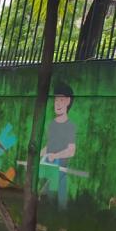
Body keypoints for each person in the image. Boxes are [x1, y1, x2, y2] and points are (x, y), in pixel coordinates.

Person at [40, 81, 77, 210]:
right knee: (46, 198)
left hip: (60, 169)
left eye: (61, 100)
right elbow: (50, 145)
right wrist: (41, 153)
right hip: (49, 168)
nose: (57, 104)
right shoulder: (52, 124)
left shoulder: (69, 126)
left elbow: (71, 151)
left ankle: (58, 222)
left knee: (58, 202)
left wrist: (55, 155)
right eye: (56, 100)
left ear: (68, 101)